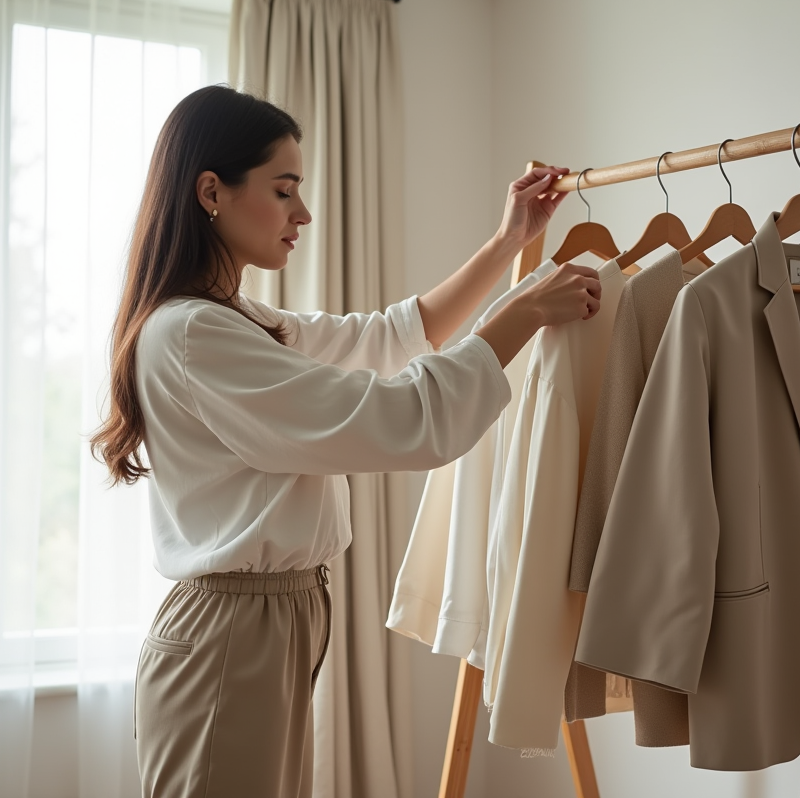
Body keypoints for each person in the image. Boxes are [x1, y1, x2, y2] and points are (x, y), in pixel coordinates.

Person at [90, 85, 600, 798]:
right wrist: (516, 316)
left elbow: (384, 338)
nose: (303, 213)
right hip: (232, 632)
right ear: (212, 191)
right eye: (284, 189)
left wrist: (506, 243)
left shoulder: (232, 318)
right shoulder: (193, 334)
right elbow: (399, 420)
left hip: (269, 620)